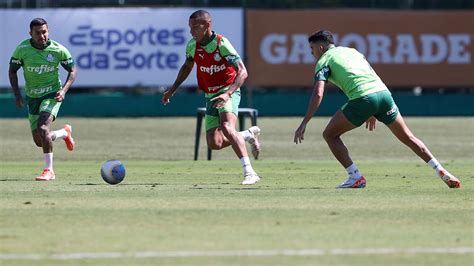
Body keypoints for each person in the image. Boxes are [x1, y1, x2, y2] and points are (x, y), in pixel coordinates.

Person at [294, 30, 461, 189]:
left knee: (329, 134)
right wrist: (372, 110)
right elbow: (368, 74)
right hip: (383, 94)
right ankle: (441, 170)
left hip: (364, 98)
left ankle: (355, 177)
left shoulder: (323, 61)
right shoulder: (353, 52)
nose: (311, 53)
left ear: (321, 47)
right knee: (409, 137)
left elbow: (318, 93)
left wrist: (304, 122)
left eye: (312, 48)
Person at [162, 10, 261, 185]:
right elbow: (187, 67)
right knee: (214, 143)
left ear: (207, 26)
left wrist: (228, 93)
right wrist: (172, 89)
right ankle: (247, 135)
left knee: (226, 127)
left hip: (227, 90)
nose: (191, 32)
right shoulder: (192, 45)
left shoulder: (221, 44)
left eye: (195, 27)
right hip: (210, 95)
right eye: (190, 27)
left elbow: (243, 72)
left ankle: (250, 172)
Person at [9, 18, 77, 181]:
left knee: (43, 128)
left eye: (44, 32)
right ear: (30, 34)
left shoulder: (58, 50)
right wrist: (17, 95)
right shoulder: (22, 49)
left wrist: (64, 90)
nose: (42, 35)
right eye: (37, 33)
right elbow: (12, 71)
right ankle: (64, 132)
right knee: (40, 141)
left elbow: (72, 71)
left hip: (51, 94)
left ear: (48, 31)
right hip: (32, 97)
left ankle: (49, 170)